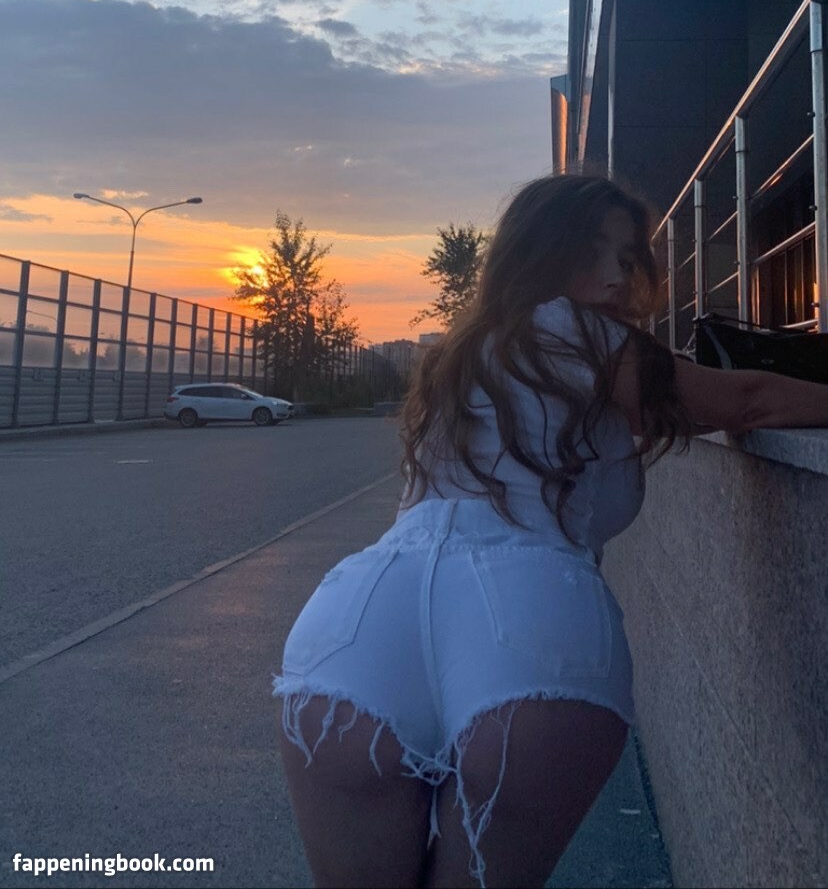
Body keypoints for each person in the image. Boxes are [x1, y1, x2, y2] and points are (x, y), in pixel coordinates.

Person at [272, 173, 828, 889]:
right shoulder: (581, 333)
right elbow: (745, 402)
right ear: (536, 255)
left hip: (353, 629)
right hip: (526, 619)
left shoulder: (457, 355)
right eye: (587, 252)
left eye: (624, 257)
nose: (612, 277)